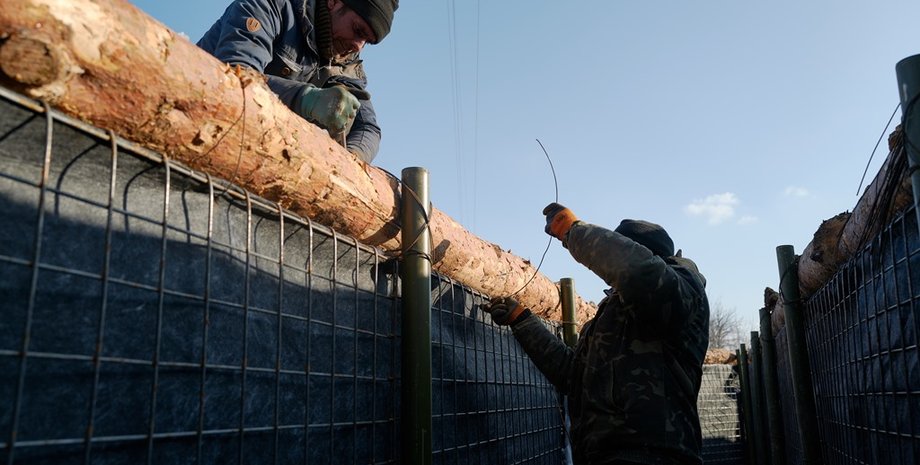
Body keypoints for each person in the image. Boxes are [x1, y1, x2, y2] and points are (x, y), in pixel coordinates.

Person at [483, 203, 710, 465]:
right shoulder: (610, 314)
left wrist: (573, 231)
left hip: (654, 457)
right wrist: (522, 321)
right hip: (598, 456)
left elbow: (637, 270)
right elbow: (574, 377)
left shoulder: (682, 291)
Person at [197, 0, 398, 163]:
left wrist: (351, 160)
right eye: (358, 30)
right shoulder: (270, 6)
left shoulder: (347, 64)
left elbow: (368, 128)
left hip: (254, 159)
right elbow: (236, 76)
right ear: (334, 2)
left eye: (367, 41)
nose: (358, 46)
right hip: (199, 128)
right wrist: (305, 98)